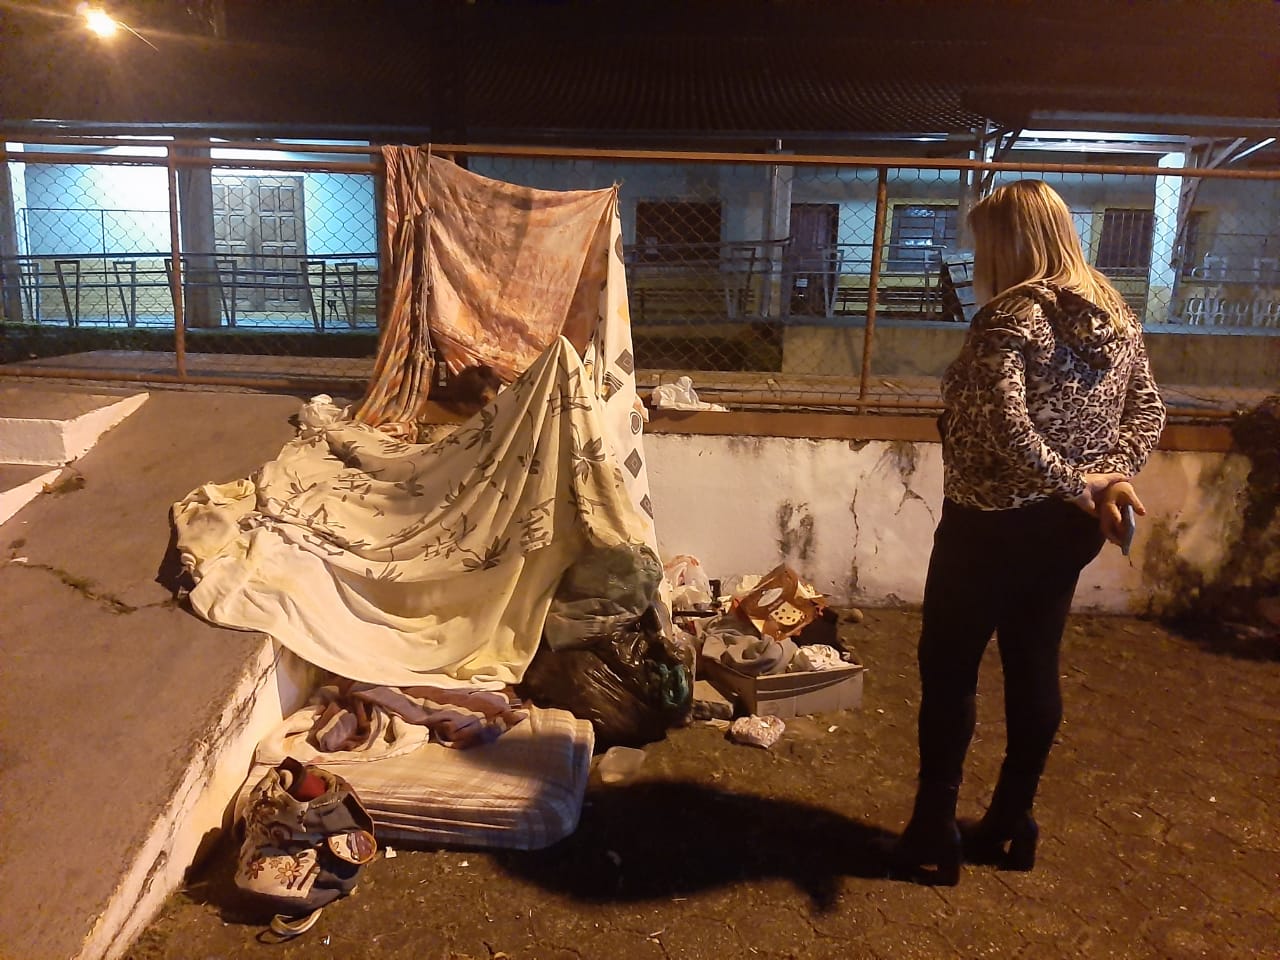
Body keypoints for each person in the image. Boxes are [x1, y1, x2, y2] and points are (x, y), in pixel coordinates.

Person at [887, 180, 1167, 886]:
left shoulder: (1010, 316)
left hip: (989, 522)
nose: (979, 256)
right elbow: (1149, 409)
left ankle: (933, 828)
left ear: (1010, 241)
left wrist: (1077, 483)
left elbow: (1001, 426)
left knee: (949, 668)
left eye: (985, 241)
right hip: (1068, 530)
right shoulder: (1114, 309)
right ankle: (1011, 821)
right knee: (1034, 659)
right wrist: (1106, 479)